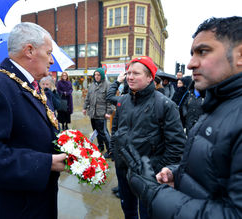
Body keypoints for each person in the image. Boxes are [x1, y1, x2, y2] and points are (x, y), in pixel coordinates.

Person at [120, 16, 242, 219]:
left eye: (203, 52)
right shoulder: (218, 106)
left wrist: (154, 192)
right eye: (192, 54)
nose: (191, 64)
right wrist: (178, 174)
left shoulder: (166, 104)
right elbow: (216, 173)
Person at [0, 22, 66, 219]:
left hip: (38, 203)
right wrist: (47, 163)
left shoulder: (31, 86)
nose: (52, 60)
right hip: (14, 209)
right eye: (49, 52)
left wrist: (68, 144)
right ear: (29, 51)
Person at [106, 56, 186, 219]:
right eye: (128, 73)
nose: (130, 77)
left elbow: (177, 146)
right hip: (123, 170)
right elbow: (115, 130)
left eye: (136, 73)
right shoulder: (122, 101)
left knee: (147, 213)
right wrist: (115, 153)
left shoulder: (165, 105)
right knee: (128, 210)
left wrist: (157, 170)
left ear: (150, 77)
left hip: (149, 175)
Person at [83, 67, 114, 156]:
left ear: (102, 76)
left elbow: (110, 100)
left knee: (103, 132)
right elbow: (87, 98)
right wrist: (85, 108)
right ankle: (100, 146)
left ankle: (110, 150)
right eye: (95, 75)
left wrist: (109, 112)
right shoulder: (92, 85)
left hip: (102, 113)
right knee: (96, 131)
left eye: (98, 75)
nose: (96, 77)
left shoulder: (107, 85)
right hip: (93, 113)